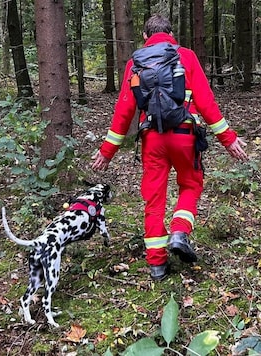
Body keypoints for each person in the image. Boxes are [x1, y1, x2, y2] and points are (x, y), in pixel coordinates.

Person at [91, 14, 248, 281]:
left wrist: (107, 152)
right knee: (190, 185)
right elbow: (206, 102)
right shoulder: (185, 56)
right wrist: (229, 139)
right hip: (185, 135)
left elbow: (124, 112)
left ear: (144, 36)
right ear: (172, 33)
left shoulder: (135, 63)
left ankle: (157, 265)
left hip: (152, 139)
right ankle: (179, 232)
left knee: (154, 198)